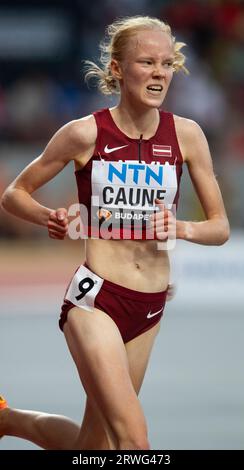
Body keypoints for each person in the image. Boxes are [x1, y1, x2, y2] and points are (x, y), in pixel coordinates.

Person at [0, 16, 229, 450]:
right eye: (147, 62)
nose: (160, 72)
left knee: (95, 447)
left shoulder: (188, 136)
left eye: (167, 63)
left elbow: (219, 228)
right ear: (120, 69)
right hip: (96, 299)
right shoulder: (84, 133)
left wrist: (181, 227)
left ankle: (7, 419)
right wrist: (50, 217)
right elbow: (14, 194)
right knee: (134, 441)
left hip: (149, 305)